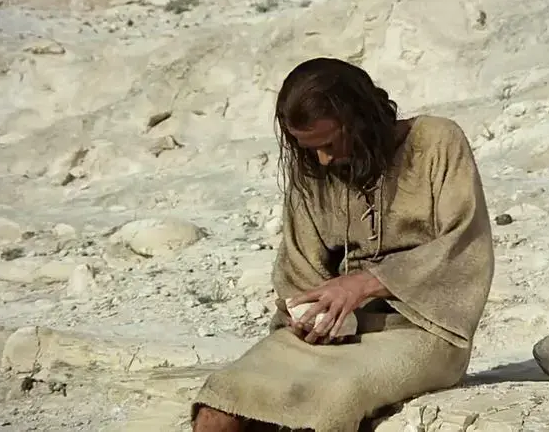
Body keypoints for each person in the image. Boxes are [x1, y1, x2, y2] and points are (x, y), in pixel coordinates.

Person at [191, 57, 495, 432]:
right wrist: (309, 317)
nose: (322, 159)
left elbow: (464, 244)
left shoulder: (437, 142)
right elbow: (300, 265)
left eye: (330, 143)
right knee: (221, 401)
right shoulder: (314, 166)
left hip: (423, 328)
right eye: (309, 148)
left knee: (328, 401)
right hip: (339, 331)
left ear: (361, 117)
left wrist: (366, 283)